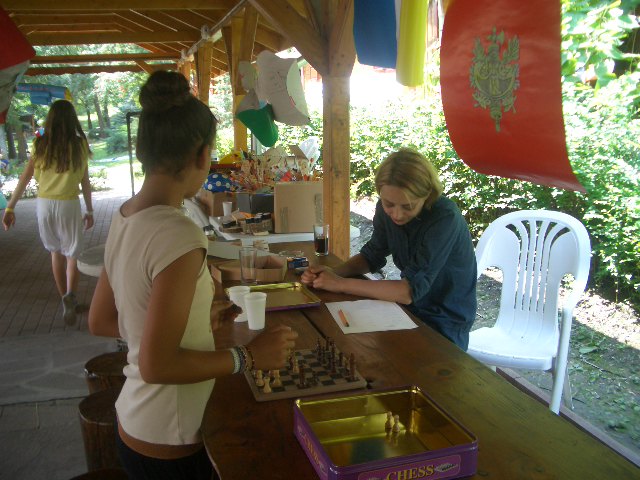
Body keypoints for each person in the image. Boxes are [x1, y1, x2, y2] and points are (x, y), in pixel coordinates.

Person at [88, 71, 298, 480]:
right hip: (172, 443)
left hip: (135, 424)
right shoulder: (179, 234)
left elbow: (102, 320)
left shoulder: (125, 217)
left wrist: (192, 324)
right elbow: (157, 365)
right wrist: (249, 357)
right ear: (203, 156)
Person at [302, 148, 477, 350]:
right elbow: (372, 256)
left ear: (427, 195)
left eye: (408, 206)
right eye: (389, 204)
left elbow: (407, 291)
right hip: (408, 312)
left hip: (444, 322)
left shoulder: (445, 218)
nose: (397, 214)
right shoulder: (384, 209)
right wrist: (332, 273)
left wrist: (340, 283)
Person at [2, 99, 94, 326]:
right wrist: (90, 210)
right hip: (68, 204)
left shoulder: (40, 143)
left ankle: (64, 298)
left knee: (55, 253)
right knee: (72, 255)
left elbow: (25, 178)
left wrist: (10, 207)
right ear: (72, 119)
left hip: (44, 205)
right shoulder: (80, 144)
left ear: (50, 119)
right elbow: (85, 181)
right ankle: (71, 296)